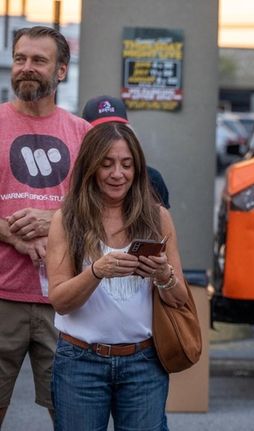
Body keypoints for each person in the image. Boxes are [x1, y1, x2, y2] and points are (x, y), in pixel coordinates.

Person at [45, 122, 187, 430]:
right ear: (91, 167)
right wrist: (96, 271)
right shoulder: (67, 218)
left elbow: (181, 299)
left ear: (138, 169)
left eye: (126, 164)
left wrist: (164, 275)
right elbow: (59, 301)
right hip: (79, 361)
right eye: (106, 164)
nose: (117, 174)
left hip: (143, 362)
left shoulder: (157, 217)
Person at [0, 26, 90, 426]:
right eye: (20, 59)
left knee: (71, 418)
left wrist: (54, 222)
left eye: (39, 60)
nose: (26, 68)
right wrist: (12, 235)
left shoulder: (84, 135)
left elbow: (103, 210)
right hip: (2, 296)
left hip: (66, 302)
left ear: (61, 71)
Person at [81, 95, 171, 209]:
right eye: (106, 164)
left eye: (119, 128)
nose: (112, 134)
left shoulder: (152, 179)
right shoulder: (74, 178)